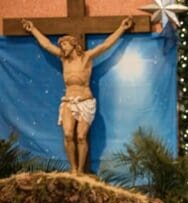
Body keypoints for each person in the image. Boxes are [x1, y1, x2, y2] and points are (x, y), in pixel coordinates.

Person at [21, 17, 133, 175]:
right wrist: (33, 30)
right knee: (67, 134)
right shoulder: (63, 59)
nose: (62, 47)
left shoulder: (86, 58)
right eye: (60, 45)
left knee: (81, 136)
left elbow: (106, 45)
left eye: (64, 44)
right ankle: (73, 168)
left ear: (73, 44)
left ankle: (80, 170)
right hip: (68, 101)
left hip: (85, 102)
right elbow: (46, 44)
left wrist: (122, 28)